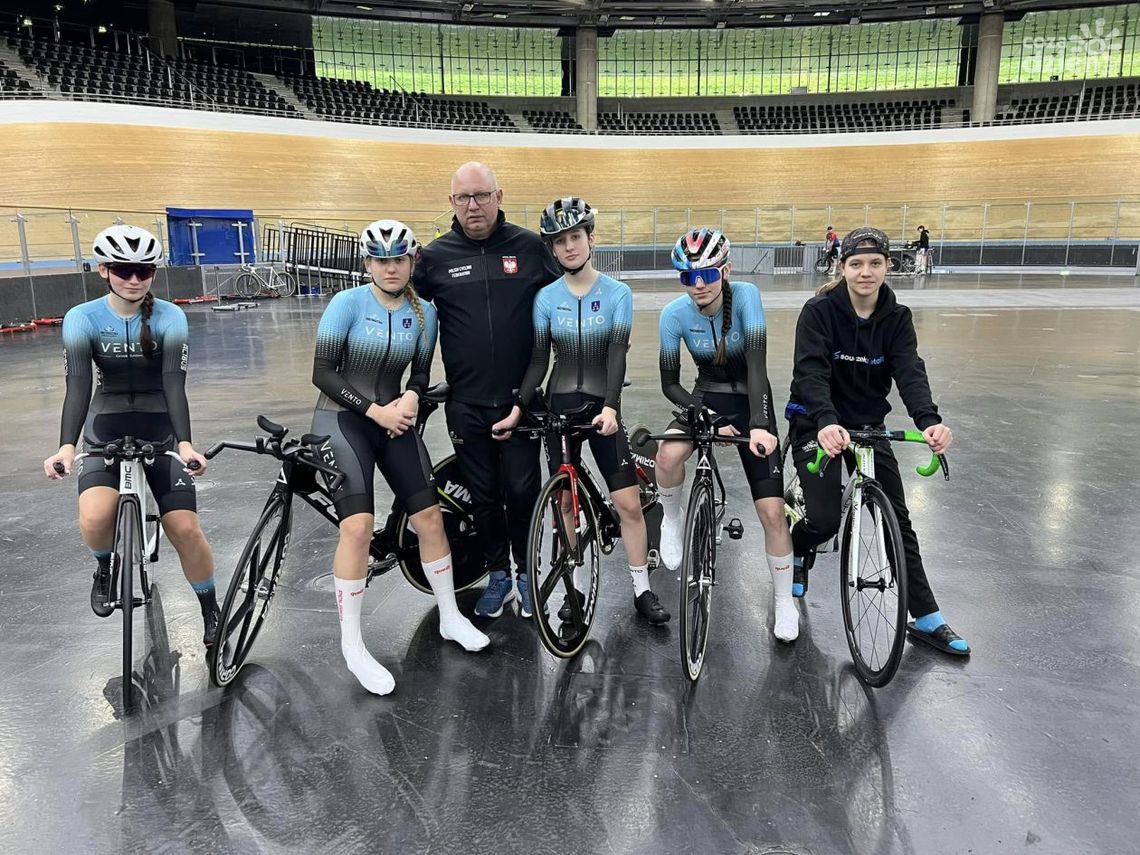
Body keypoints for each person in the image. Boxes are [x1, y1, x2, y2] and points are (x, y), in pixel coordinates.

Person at [311, 219, 489, 697]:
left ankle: (450, 616)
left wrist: (410, 397)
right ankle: (353, 646)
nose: (390, 268)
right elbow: (323, 373)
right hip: (343, 419)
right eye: (381, 260)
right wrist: (375, 411)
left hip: (395, 420)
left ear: (412, 262)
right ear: (368, 263)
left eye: (399, 259)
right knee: (358, 526)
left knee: (429, 516)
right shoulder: (347, 304)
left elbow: (421, 373)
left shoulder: (424, 313)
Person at [785, 226, 969, 656]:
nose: (865, 272)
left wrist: (929, 422)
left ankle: (926, 616)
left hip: (868, 426)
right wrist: (827, 421)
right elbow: (810, 373)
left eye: (874, 263)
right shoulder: (819, 312)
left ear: (888, 266)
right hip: (818, 423)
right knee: (825, 520)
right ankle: (800, 544)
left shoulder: (897, 318)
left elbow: (909, 370)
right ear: (842, 267)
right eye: (856, 263)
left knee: (897, 519)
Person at [43, 225, 220, 649]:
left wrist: (184, 445)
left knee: (185, 529)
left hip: (159, 428)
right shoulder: (82, 318)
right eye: (124, 270)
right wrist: (67, 446)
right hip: (106, 425)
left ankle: (210, 610)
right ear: (104, 270)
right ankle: (104, 567)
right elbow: (79, 386)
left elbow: (175, 384)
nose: (135, 279)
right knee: (94, 517)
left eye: (145, 271)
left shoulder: (170, 317)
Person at [496, 197, 669, 624]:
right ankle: (571, 591)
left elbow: (617, 357)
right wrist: (520, 408)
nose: (569, 247)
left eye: (575, 237)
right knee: (564, 508)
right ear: (552, 249)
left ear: (591, 238)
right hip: (558, 409)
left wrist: (611, 407)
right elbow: (539, 360)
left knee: (627, 504)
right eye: (560, 241)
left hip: (600, 407)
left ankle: (641, 590)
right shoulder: (545, 298)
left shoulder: (617, 294)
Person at [413, 162, 563, 620]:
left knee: (521, 494)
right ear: (451, 203)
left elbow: (568, 298)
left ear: (499, 195)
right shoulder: (435, 259)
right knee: (483, 497)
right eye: (463, 198)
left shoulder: (532, 248)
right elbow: (408, 315)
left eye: (481, 195)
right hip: (467, 405)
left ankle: (525, 574)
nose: (473, 206)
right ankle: (498, 575)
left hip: (522, 404)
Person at [654, 228, 798, 643]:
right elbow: (670, 384)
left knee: (772, 512)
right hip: (705, 399)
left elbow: (757, 366)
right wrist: (709, 418)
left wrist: (759, 425)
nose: (698, 285)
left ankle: (784, 601)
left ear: (726, 271)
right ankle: (672, 519)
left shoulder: (748, 297)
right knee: (666, 456)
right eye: (687, 277)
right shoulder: (673, 315)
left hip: (752, 399)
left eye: (708, 275)